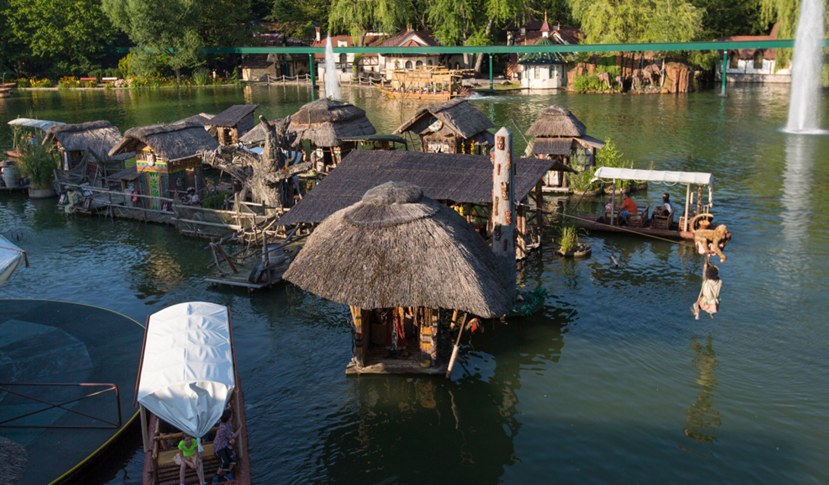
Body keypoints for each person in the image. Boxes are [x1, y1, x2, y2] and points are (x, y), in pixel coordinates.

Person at [213, 409, 240, 483]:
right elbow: (233, 436)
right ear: (229, 417)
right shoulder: (223, 427)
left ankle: (228, 473)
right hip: (219, 447)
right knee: (225, 462)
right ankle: (217, 475)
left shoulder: (228, 423)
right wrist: (240, 428)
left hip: (225, 444)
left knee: (233, 458)